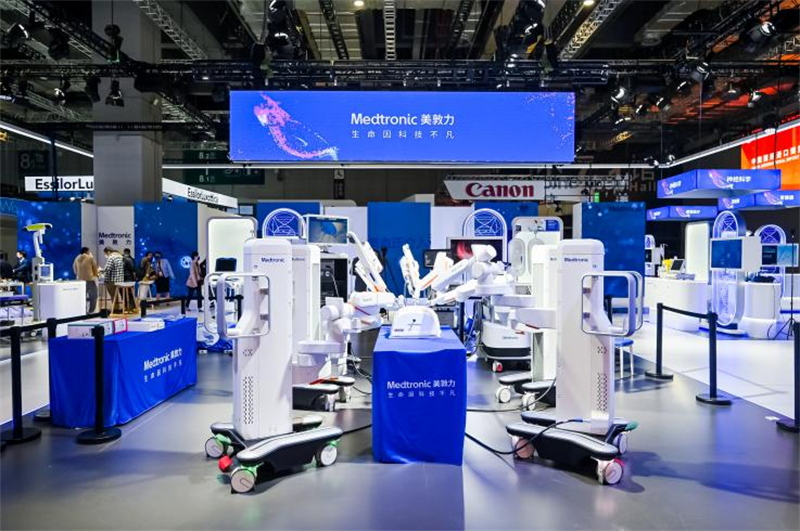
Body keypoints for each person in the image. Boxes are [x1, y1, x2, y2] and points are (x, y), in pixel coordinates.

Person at [73, 247, 99, 313]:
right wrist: (96, 275)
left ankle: (83, 311)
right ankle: (91, 311)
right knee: (93, 296)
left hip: (80, 281)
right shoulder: (90, 258)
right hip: (90, 279)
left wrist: (78, 275)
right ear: (87, 251)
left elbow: (74, 268)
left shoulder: (76, 258)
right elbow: (95, 268)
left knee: (82, 297)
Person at [102, 247, 124, 312]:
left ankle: (115, 308)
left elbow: (108, 269)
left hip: (113, 280)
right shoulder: (120, 256)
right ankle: (117, 308)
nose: (105, 255)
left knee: (113, 295)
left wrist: (104, 277)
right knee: (116, 295)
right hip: (121, 280)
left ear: (108, 252)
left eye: (105, 253)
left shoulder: (111, 257)